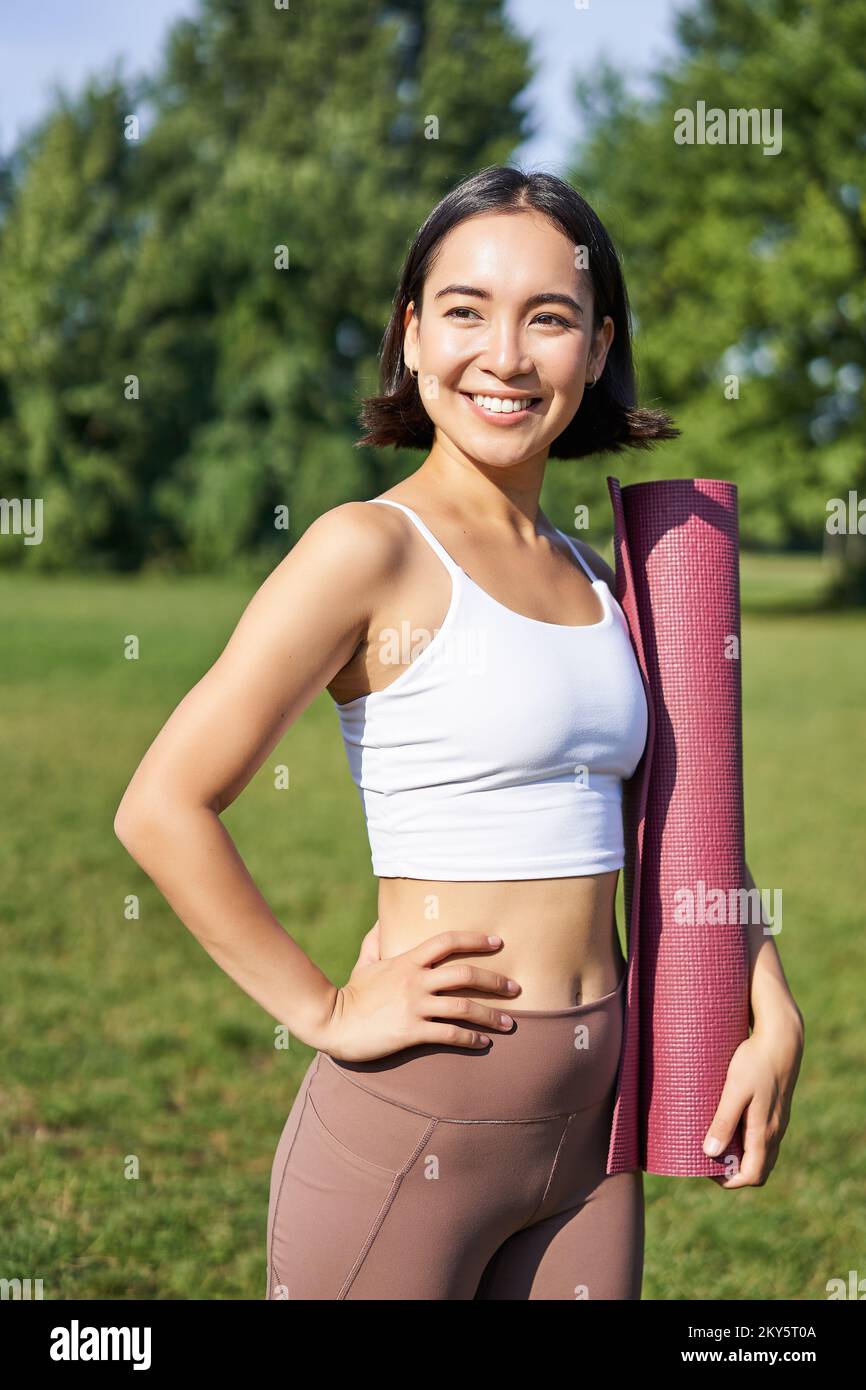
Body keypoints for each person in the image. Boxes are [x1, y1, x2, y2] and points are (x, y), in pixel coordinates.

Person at [114, 165, 804, 1301]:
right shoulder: (367, 550)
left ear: (598, 347)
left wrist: (766, 995)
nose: (505, 355)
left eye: (550, 318)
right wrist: (323, 1009)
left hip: (592, 1136)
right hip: (414, 1120)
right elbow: (161, 804)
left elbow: (683, 830)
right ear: (411, 335)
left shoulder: (601, 578)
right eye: (466, 310)